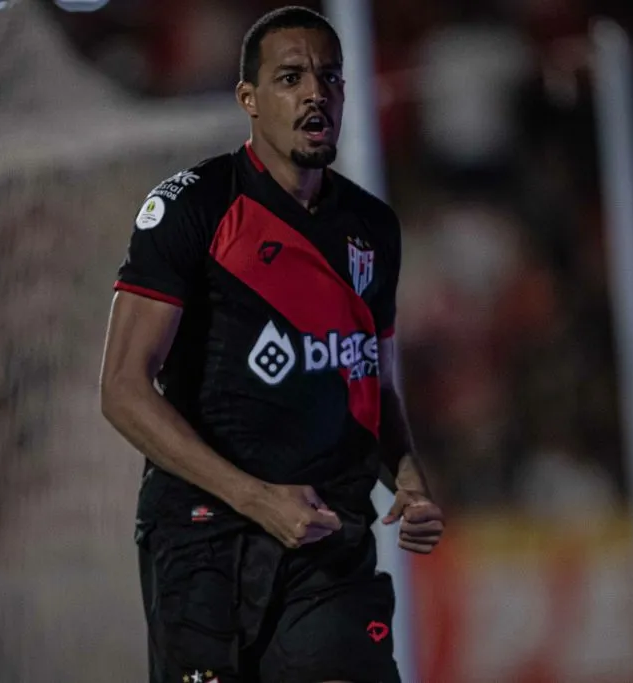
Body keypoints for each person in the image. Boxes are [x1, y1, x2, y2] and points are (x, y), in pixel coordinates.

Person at [100, 6, 444, 683]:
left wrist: (404, 474)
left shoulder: (372, 228)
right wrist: (256, 498)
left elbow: (375, 382)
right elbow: (121, 388)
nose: (316, 92)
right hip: (205, 538)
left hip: (327, 540)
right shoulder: (193, 209)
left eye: (330, 77)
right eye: (291, 77)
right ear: (249, 101)